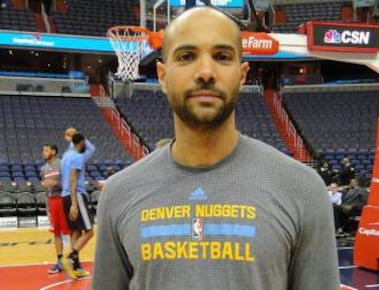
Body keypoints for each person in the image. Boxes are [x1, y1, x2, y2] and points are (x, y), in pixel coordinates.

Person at [93, 7, 340, 290]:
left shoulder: (303, 189)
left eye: (222, 57)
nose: (206, 72)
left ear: (243, 74)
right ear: (162, 75)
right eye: (186, 56)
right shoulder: (119, 193)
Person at [61, 133, 95, 279]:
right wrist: (74, 204)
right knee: (89, 231)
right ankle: (70, 257)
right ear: (81, 142)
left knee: (76, 232)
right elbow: (73, 179)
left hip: (65, 195)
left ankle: (76, 267)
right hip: (76, 195)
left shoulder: (66, 156)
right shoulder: (78, 157)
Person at [40, 143, 70, 274]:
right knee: (56, 233)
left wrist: (56, 183)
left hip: (63, 200)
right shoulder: (43, 169)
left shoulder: (63, 164)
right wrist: (48, 209)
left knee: (70, 232)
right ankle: (60, 262)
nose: (43, 153)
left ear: (54, 151)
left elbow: (70, 183)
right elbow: (46, 190)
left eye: (46, 150)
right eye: (43, 150)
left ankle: (75, 261)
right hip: (52, 203)